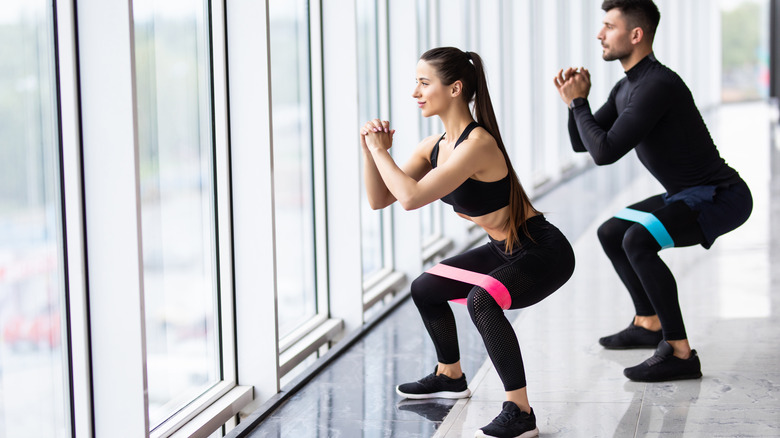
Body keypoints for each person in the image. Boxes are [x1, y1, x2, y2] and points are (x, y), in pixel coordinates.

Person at [361, 46, 574, 438]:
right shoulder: (435, 146)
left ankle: (520, 411)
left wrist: (380, 152)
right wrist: (370, 152)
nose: (416, 93)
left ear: (455, 88)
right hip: (502, 249)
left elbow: (409, 198)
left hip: (543, 250)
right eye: (416, 83)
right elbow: (380, 199)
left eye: (424, 83)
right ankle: (450, 375)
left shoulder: (478, 144)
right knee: (425, 287)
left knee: (483, 299)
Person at [553, 0, 752, 382]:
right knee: (611, 231)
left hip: (720, 196)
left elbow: (605, 152)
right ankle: (648, 323)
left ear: (636, 34)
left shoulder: (658, 84)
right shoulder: (627, 85)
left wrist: (579, 102)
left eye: (608, 26)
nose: (600, 34)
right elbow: (585, 143)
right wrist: (573, 104)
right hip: (686, 193)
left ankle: (680, 352)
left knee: (637, 241)